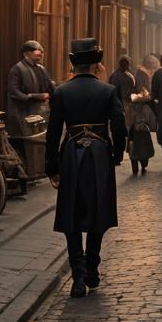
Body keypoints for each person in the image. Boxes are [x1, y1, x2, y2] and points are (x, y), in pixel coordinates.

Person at [45, 38, 127, 299]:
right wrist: (116, 154)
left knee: (71, 214)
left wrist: (51, 167)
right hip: (100, 153)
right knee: (98, 212)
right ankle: (92, 267)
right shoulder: (108, 91)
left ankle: (78, 276)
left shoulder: (61, 92)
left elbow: (53, 132)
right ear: (95, 63)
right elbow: (120, 125)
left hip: (71, 153)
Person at [5, 41, 55, 155]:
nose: (41, 53)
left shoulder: (41, 68)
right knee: (24, 148)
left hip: (40, 113)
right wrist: (35, 96)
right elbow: (14, 92)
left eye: (42, 51)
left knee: (40, 144)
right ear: (26, 53)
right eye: (38, 50)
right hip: (22, 114)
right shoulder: (17, 69)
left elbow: (50, 86)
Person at [127, 55, 158, 175]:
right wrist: (149, 97)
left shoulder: (140, 73)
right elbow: (142, 93)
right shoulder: (142, 75)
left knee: (135, 137)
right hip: (139, 112)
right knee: (139, 137)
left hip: (137, 111)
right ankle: (139, 159)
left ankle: (137, 160)